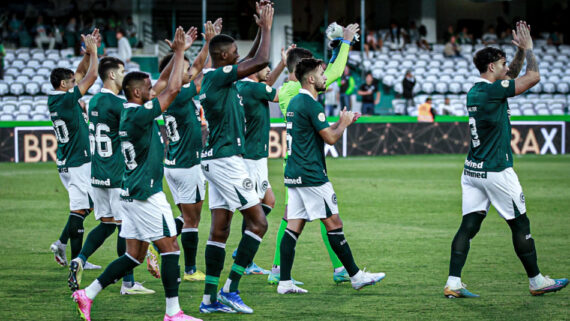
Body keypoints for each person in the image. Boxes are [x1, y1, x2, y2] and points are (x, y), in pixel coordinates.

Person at [72, 26, 203, 321]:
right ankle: (173, 313)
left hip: (130, 192)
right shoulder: (138, 114)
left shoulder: (131, 110)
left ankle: (87, 294)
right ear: (136, 92)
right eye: (147, 86)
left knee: (133, 255)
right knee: (170, 249)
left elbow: (163, 86)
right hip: (146, 194)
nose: (152, 87)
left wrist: (179, 53)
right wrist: (181, 51)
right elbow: (170, 90)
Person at [444, 21, 568, 298]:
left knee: (469, 225)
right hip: (496, 170)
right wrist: (530, 50)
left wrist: (518, 54)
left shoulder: (477, 90)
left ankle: (453, 283)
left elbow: (510, 73)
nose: (504, 68)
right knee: (520, 225)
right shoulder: (492, 91)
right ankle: (537, 281)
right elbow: (532, 77)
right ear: (491, 68)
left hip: (472, 169)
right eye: (500, 64)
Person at [277, 57, 385, 294]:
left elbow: (320, 131)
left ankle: (284, 282)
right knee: (334, 224)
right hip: (311, 175)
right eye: (322, 74)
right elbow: (331, 138)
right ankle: (356, 276)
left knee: (293, 227)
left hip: (294, 173)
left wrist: (340, 121)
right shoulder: (311, 104)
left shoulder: (296, 102)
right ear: (311, 79)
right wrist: (343, 124)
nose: (326, 78)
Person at [269, 22, 360, 287]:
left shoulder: (286, 91)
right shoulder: (303, 93)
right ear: (305, 72)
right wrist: (345, 43)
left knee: (292, 218)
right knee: (327, 218)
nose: (321, 74)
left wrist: (333, 52)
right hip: (308, 165)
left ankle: (278, 270)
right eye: (316, 69)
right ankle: (342, 268)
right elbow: (335, 72)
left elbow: (326, 71)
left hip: (292, 163)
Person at [197, 2, 274, 314]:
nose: (239, 59)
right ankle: (231, 288)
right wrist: (268, 28)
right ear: (224, 57)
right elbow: (262, 60)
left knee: (220, 230)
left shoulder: (215, 77)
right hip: (227, 159)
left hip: (216, 159)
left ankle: (208, 300)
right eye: (234, 55)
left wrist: (258, 30)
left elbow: (254, 62)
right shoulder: (217, 78)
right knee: (258, 223)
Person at [67, 56, 155, 296]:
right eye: (122, 70)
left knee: (106, 225)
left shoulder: (94, 101)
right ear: (113, 75)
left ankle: (80, 259)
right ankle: (128, 283)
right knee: (125, 228)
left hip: (97, 174)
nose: (125, 74)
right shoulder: (119, 105)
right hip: (117, 174)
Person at [159, 20, 218, 283]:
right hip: (188, 164)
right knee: (193, 221)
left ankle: (159, 238)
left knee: (185, 216)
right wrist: (211, 46)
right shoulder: (181, 94)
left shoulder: (168, 95)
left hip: (172, 163)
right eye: (183, 69)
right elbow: (203, 72)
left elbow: (196, 67)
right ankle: (191, 270)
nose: (189, 71)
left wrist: (204, 44)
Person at [233, 44, 292, 275]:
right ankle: (244, 257)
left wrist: (282, 65)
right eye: (264, 67)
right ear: (252, 70)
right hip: (253, 157)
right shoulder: (255, 89)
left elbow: (265, 86)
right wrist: (297, 78)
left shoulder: (242, 86)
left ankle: (243, 254)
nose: (268, 70)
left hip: (249, 154)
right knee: (254, 209)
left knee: (267, 201)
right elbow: (277, 95)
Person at [48, 30, 100, 269]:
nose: (75, 84)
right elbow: (90, 76)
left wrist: (87, 53)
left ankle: (61, 243)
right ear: (63, 85)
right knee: (81, 208)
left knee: (87, 206)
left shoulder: (58, 97)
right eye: (71, 83)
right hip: (77, 162)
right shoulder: (66, 99)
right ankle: (79, 260)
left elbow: (79, 74)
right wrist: (95, 54)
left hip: (71, 160)